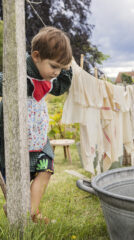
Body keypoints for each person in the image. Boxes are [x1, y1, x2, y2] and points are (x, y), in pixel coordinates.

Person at [0, 26, 73, 222]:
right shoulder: (18, 76)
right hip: (16, 142)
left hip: (39, 139)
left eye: (61, 68)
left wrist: (67, 69)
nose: (57, 72)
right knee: (18, 181)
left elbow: (60, 87)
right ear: (36, 56)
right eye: (54, 66)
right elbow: (3, 81)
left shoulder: (47, 79)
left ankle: (31, 212)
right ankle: (22, 212)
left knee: (46, 170)